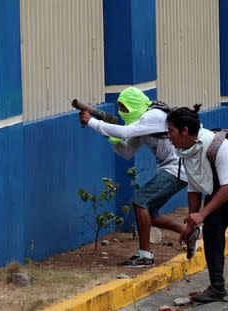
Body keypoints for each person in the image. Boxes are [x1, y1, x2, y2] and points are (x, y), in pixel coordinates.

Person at [78, 87, 201, 267]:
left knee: (140, 201)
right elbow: (127, 151)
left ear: (134, 104)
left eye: (124, 108)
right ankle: (187, 231)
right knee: (148, 214)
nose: (122, 112)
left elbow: (125, 132)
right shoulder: (142, 123)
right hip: (170, 168)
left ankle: (145, 255)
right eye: (120, 108)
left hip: (178, 167)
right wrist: (109, 136)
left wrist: (92, 122)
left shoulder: (152, 115)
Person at [166, 105, 228, 302]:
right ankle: (217, 287)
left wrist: (201, 214)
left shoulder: (219, 146)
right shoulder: (186, 150)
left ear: (185, 131)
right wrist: (191, 225)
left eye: (171, 131)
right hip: (217, 188)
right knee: (211, 230)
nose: (168, 136)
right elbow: (193, 188)